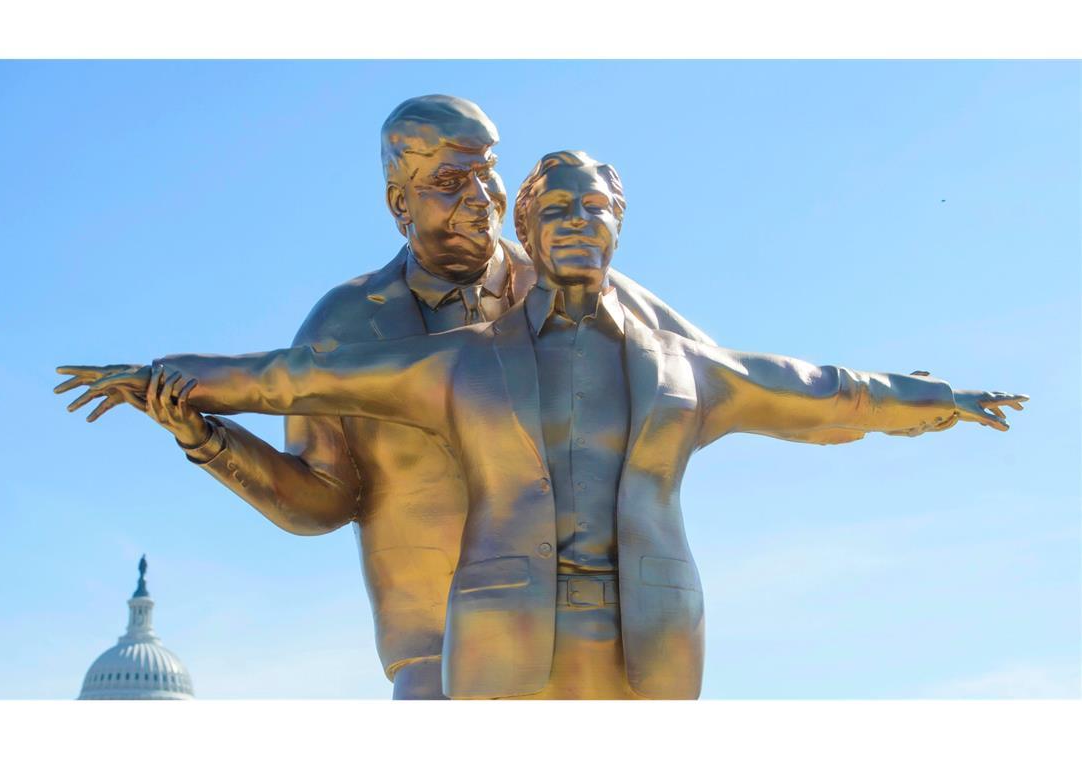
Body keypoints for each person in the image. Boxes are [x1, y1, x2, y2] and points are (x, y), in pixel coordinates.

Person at [64, 150, 1026, 699]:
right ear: (528, 226)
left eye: (594, 208)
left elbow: (823, 390)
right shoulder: (463, 363)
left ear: (618, 225)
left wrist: (935, 401)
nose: (576, 221)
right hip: (500, 628)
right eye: (553, 207)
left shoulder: (684, 364)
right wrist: (168, 381)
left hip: (652, 625)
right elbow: (292, 376)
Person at [55, 100, 713, 699]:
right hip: (435, 661)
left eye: (487, 173)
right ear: (401, 204)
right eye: (451, 184)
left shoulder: (577, 284)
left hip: (596, 648)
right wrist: (207, 439)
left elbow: (702, 376)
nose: (481, 199)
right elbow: (320, 499)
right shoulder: (345, 325)